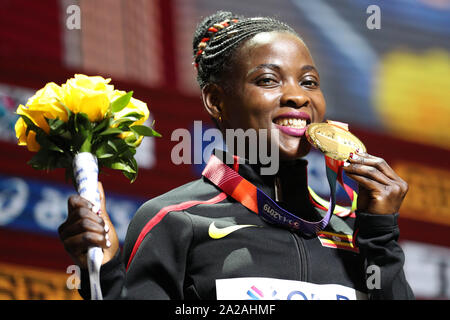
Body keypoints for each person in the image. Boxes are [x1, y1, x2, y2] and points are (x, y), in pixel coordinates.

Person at [58, 11, 414, 300]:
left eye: (308, 82)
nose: (297, 97)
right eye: (268, 80)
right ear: (216, 101)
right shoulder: (175, 219)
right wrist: (103, 275)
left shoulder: (352, 228)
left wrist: (379, 234)